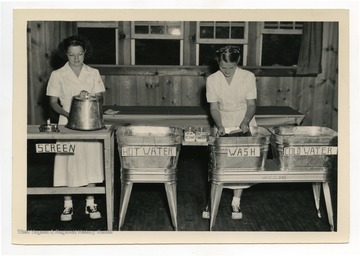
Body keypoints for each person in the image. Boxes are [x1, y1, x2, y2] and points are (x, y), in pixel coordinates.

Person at [46, 35, 105, 221]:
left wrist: (90, 97)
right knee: (67, 163)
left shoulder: (93, 73)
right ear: (66, 54)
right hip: (66, 123)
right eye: (72, 55)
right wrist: (68, 114)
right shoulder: (57, 75)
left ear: (85, 52)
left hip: (89, 123)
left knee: (91, 161)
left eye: (80, 54)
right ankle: (67, 205)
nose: (76, 58)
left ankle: (90, 203)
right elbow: (53, 103)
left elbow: (101, 97)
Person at [206, 45, 257, 219]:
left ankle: (236, 202)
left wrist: (245, 122)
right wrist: (219, 125)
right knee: (219, 163)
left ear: (237, 63)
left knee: (240, 164)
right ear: (218, 63)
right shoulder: (212, 80)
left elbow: (251, 105)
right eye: (223, 67)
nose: (227, 71)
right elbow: (213, 107)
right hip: (222, 120)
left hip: (244, 119)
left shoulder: (248, 77)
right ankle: (213, 199)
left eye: (231, 67)